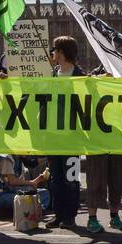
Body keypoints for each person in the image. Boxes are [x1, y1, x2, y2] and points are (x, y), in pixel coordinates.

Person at [47, 36, 85, 230]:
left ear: (62, 51)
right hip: (53, 136)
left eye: (54, 49)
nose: (52, 52)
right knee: (55, 179)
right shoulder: (52, 74)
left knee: (71, 179)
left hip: (72, 137)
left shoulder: (79, 75)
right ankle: (58, 214)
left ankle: (70, 215)